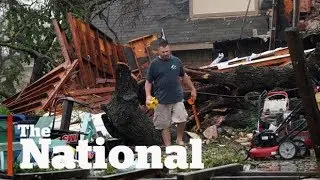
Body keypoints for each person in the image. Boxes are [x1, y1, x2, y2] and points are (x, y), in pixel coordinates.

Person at [145, 39, 197, 146]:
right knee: (164, 125)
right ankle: (168, 146)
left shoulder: (176, 61)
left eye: (167, 51)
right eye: (163, 52)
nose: (165, 54)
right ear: (158, 51)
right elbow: (148, 82)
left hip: (177, 97)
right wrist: (148, 95)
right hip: (161, 100)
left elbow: (184, 76)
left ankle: (179, 139)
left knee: (182, 119)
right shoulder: (154, 64)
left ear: (170, 49)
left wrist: (192, 89)